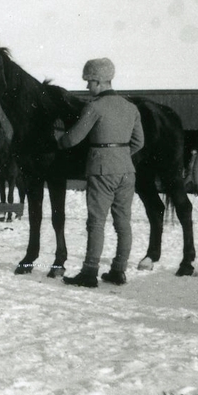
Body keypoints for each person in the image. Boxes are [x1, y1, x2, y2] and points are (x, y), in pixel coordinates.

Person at [55, 57, 144, 288]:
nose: (86, 87)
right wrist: (120, 155)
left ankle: (89, 272)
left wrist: (58, 142)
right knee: (123, 223)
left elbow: (74, 138)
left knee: (96, 223)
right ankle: (118, 271)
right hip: (127, 170)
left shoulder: (94, 107)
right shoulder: (131, 107)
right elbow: (139, 142)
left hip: (101, 170)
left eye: (88, 82)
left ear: (97, 81)